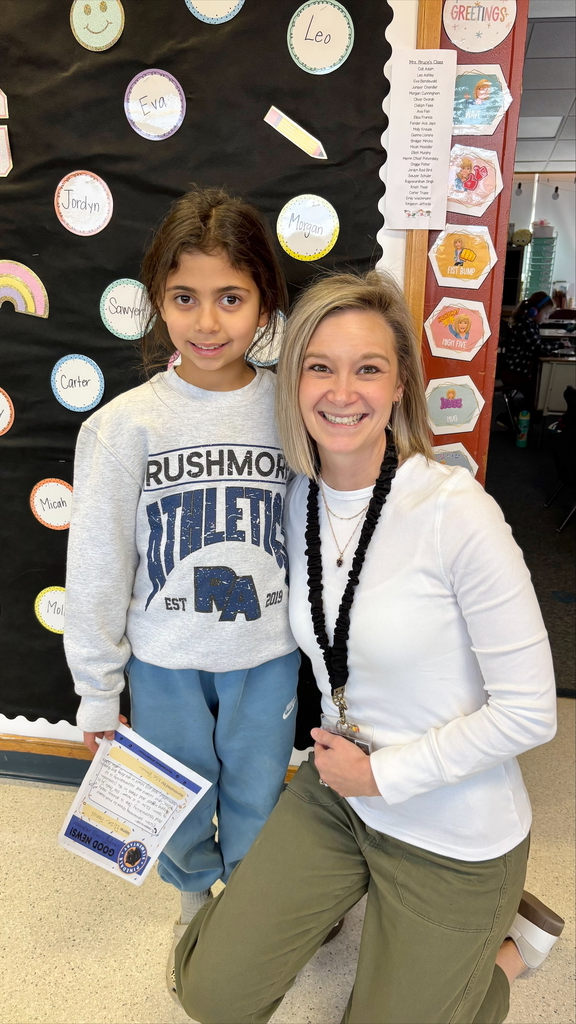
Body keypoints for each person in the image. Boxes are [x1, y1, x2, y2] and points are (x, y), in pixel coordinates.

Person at [173, 271, 564, 1024]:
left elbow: (530, 715)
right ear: (292, 383)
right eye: (318, 366)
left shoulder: (457, 513)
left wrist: (383, 774)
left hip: (451, 825)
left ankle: (506, 949)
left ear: (399, 387)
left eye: (368, 368)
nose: (341, 391)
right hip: (339, 794)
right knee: (211, 996)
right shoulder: (291, 499)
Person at [64, 188, 300, 945]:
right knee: (178, 795)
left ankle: (254, 908)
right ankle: (196, 902)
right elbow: (97, 563)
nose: (207, 322)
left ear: (264, 303)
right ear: (157, 304)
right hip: (165, 659)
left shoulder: (295, 410)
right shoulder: (122, 425)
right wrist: (97, 690)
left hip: (265, 654)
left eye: (230, 297)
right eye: (185, 298)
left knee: (261, 794)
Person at [498, 292, 556, 421]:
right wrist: (560, 345)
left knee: (539, 390)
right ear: (534, 311)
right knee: (539, 392)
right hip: (515, 373)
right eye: (546, 314)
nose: (546, 318)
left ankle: (523, 417)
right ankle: (508, 418)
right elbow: (537, 347)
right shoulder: (525, 326)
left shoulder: (530, 325)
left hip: (520, 371)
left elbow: (536, 345)